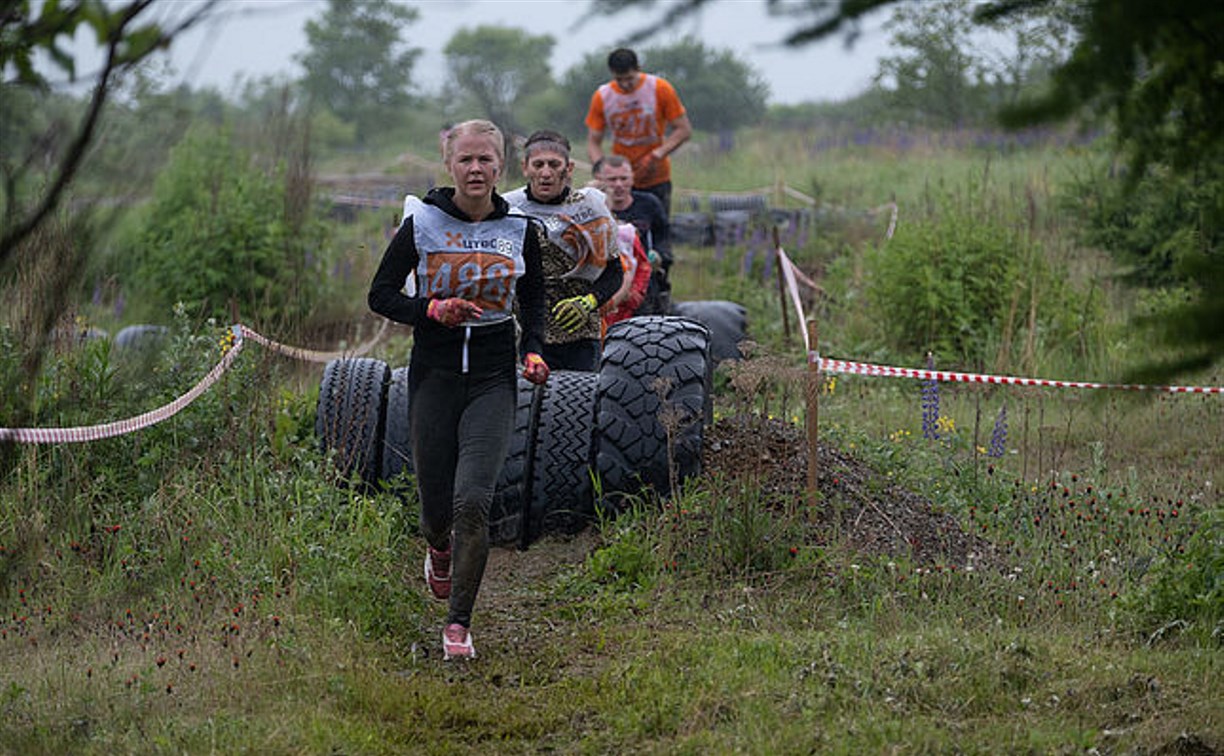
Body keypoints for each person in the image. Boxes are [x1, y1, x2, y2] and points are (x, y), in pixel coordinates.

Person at [367, 119, 550, 661]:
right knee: (436, 513)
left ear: (501, 168)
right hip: (435, 376)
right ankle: (437, 548)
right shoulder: (421, 223)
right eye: (466, 159)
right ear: (449, 165)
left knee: (475, 501)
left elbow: (533, 298)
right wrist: (430, 309)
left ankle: (458, 627)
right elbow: (380, 296)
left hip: (493, 379)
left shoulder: (520, 229)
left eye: (486, 160)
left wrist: (533, 349)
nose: (476, 169)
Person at [505, 130, 621, 372]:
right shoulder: (507, 209)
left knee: (580, 405)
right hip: (523, 334)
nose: (546, 173)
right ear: (525, 167)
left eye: (554, 164)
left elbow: (614, 272)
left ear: (568, 168)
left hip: (579, 335)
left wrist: (589, 302)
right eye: (538, 164)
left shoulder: (591, 209)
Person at [585, 47, 692, 219]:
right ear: (612, 74)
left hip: (656, 176)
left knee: (658, 231)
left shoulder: (660, 88)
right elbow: (593, 141)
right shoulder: (602, 96)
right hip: (620, 181)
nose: (626, 85)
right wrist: (601, 169)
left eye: (630, 79)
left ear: (638, 69)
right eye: (620, 80)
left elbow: (684, 130)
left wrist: (657, 155)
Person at [595, 154, 673, 315]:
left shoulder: (649, 203)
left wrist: (658, 254)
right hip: (605, 280)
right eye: (612, 180)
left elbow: (663, 234)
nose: (618, 185)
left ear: (632, 179)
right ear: (599, 179)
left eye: (624, 179)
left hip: (643, 281)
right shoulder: (593, 208)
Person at [602, 221, 651, 328]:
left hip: (626, 307)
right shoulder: (592, 234)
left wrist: (634, 293)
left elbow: (643, 266)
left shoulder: (626, 235)